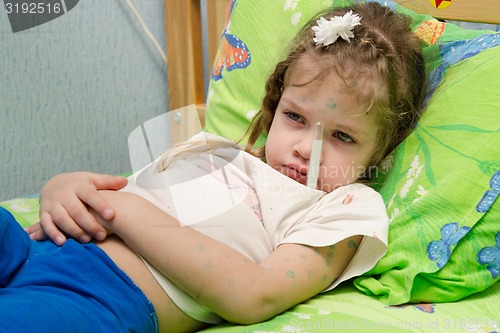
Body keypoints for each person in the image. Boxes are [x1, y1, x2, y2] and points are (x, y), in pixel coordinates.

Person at [6, 2, 427, 332]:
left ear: (381, 151)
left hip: (98, 295)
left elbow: (254, 295)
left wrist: (124, 214)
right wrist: (61, 189)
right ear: (274, 104)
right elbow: (118, 188)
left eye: (342, 137)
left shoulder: (345, 207)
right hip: (34, 245)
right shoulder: (214, 149)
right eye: (295, 117)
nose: (304, 149)